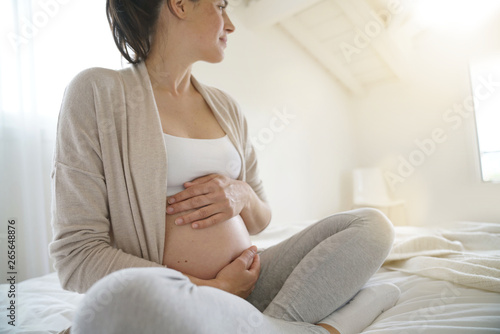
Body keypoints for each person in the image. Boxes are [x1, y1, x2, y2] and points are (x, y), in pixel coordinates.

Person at [49, 0, 400, 333]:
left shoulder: (225, 107)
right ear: (180, 4)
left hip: (251, 279)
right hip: (171, 298)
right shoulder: (97, 92)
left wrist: (242, 194)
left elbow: (261, 219)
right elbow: (77, 256)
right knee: (129, 307)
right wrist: (208, 290)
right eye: (220, 6)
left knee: (372, 226)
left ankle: (260, 326)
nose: (230, 24)